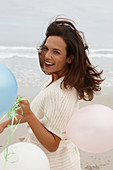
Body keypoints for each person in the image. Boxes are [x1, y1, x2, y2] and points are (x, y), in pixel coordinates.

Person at [0, 17, 103, 170]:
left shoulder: (60, 94)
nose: (47, 55)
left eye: (56, 52)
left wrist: (28, 115)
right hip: (40, 158)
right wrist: (5, 124)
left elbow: (52, 144)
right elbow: (39, 117)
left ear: (69, 58)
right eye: (46, 48)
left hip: (53, 163)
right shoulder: (54, 79)